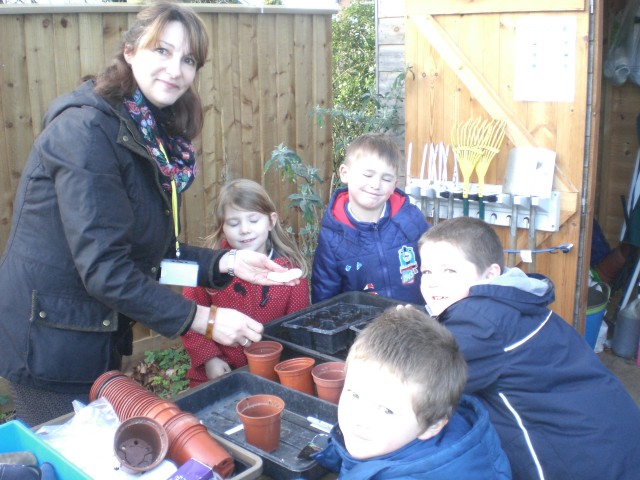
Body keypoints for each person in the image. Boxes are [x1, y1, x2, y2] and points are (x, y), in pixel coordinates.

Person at [0, 2, 297, 427]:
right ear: (130, 50)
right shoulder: (86, 132)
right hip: (50, 340)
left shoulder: (148, 133)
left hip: (92, 330)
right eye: (162, 50)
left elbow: (153, 258)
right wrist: (205, 319)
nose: (175, 69)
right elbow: (107, 269)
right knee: (66, 455)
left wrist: (227, 262)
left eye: (188, 59)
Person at [418, 216, 640, 480]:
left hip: (580, 460)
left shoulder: (480, 321)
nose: (432, 282)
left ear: (490, 274)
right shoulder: (516, 301)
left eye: (449, 271)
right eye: (427, 272)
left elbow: (417, 385)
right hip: (615, 435)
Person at [313, 307, 511, 479]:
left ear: (432, 426)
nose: (358, 418)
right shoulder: (417, 426)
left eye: (386, 410)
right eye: (355, 395)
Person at [181, 179, 310, 387]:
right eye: (233, 223)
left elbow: (296, 329)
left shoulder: (290, 273)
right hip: (217, 371)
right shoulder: (208, 268)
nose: (244, 230)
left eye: (253, 220)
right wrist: (209, 358)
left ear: (271, 221)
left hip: (272, 373)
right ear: (223, 227)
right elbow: (188, 315)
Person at [311, 133, 430, 304]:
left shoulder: (410, 218)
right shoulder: (332, 237)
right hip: (365, 329)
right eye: (368, 175)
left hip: (415, 322)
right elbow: (325, 297)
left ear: (395, 184)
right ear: (345, 173)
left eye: (386, 178)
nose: (376, 185)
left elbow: (438, 265)